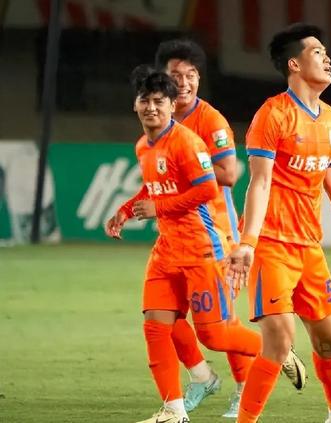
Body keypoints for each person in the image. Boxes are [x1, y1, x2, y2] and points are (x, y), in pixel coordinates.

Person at [153, 38, 306, 418]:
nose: (184, 82)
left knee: (220, 328)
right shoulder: (158, 121)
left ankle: (256, 373)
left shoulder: (210, 121)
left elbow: (228, 173)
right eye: (176, 75)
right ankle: (202, 377)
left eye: (191, 75)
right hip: (174, 235)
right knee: (163, 316)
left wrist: (187, 166)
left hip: (213, 236)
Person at [226, 23, 331, 423]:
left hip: (310, 249)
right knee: (279, 340)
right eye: (317, 51)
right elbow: (259, 182)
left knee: (329, 342)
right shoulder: (273, 114)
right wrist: (248, 242)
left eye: (326, 52)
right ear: (294, 63)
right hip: (272, 245)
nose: (327, 58)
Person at [107, 67, 225, 423]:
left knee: (215, 336)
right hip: (166, 249)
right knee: (156, 325)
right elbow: (153, 187)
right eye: (145, 100)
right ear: (135, 104)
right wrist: (126, 210)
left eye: (159, 101)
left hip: (198, 247)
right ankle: (175, 411)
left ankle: (276, 349)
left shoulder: (187, 142)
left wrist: (158, 208)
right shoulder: (142, 145)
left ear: (173, 105)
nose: (151, 107)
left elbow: (208, 189)